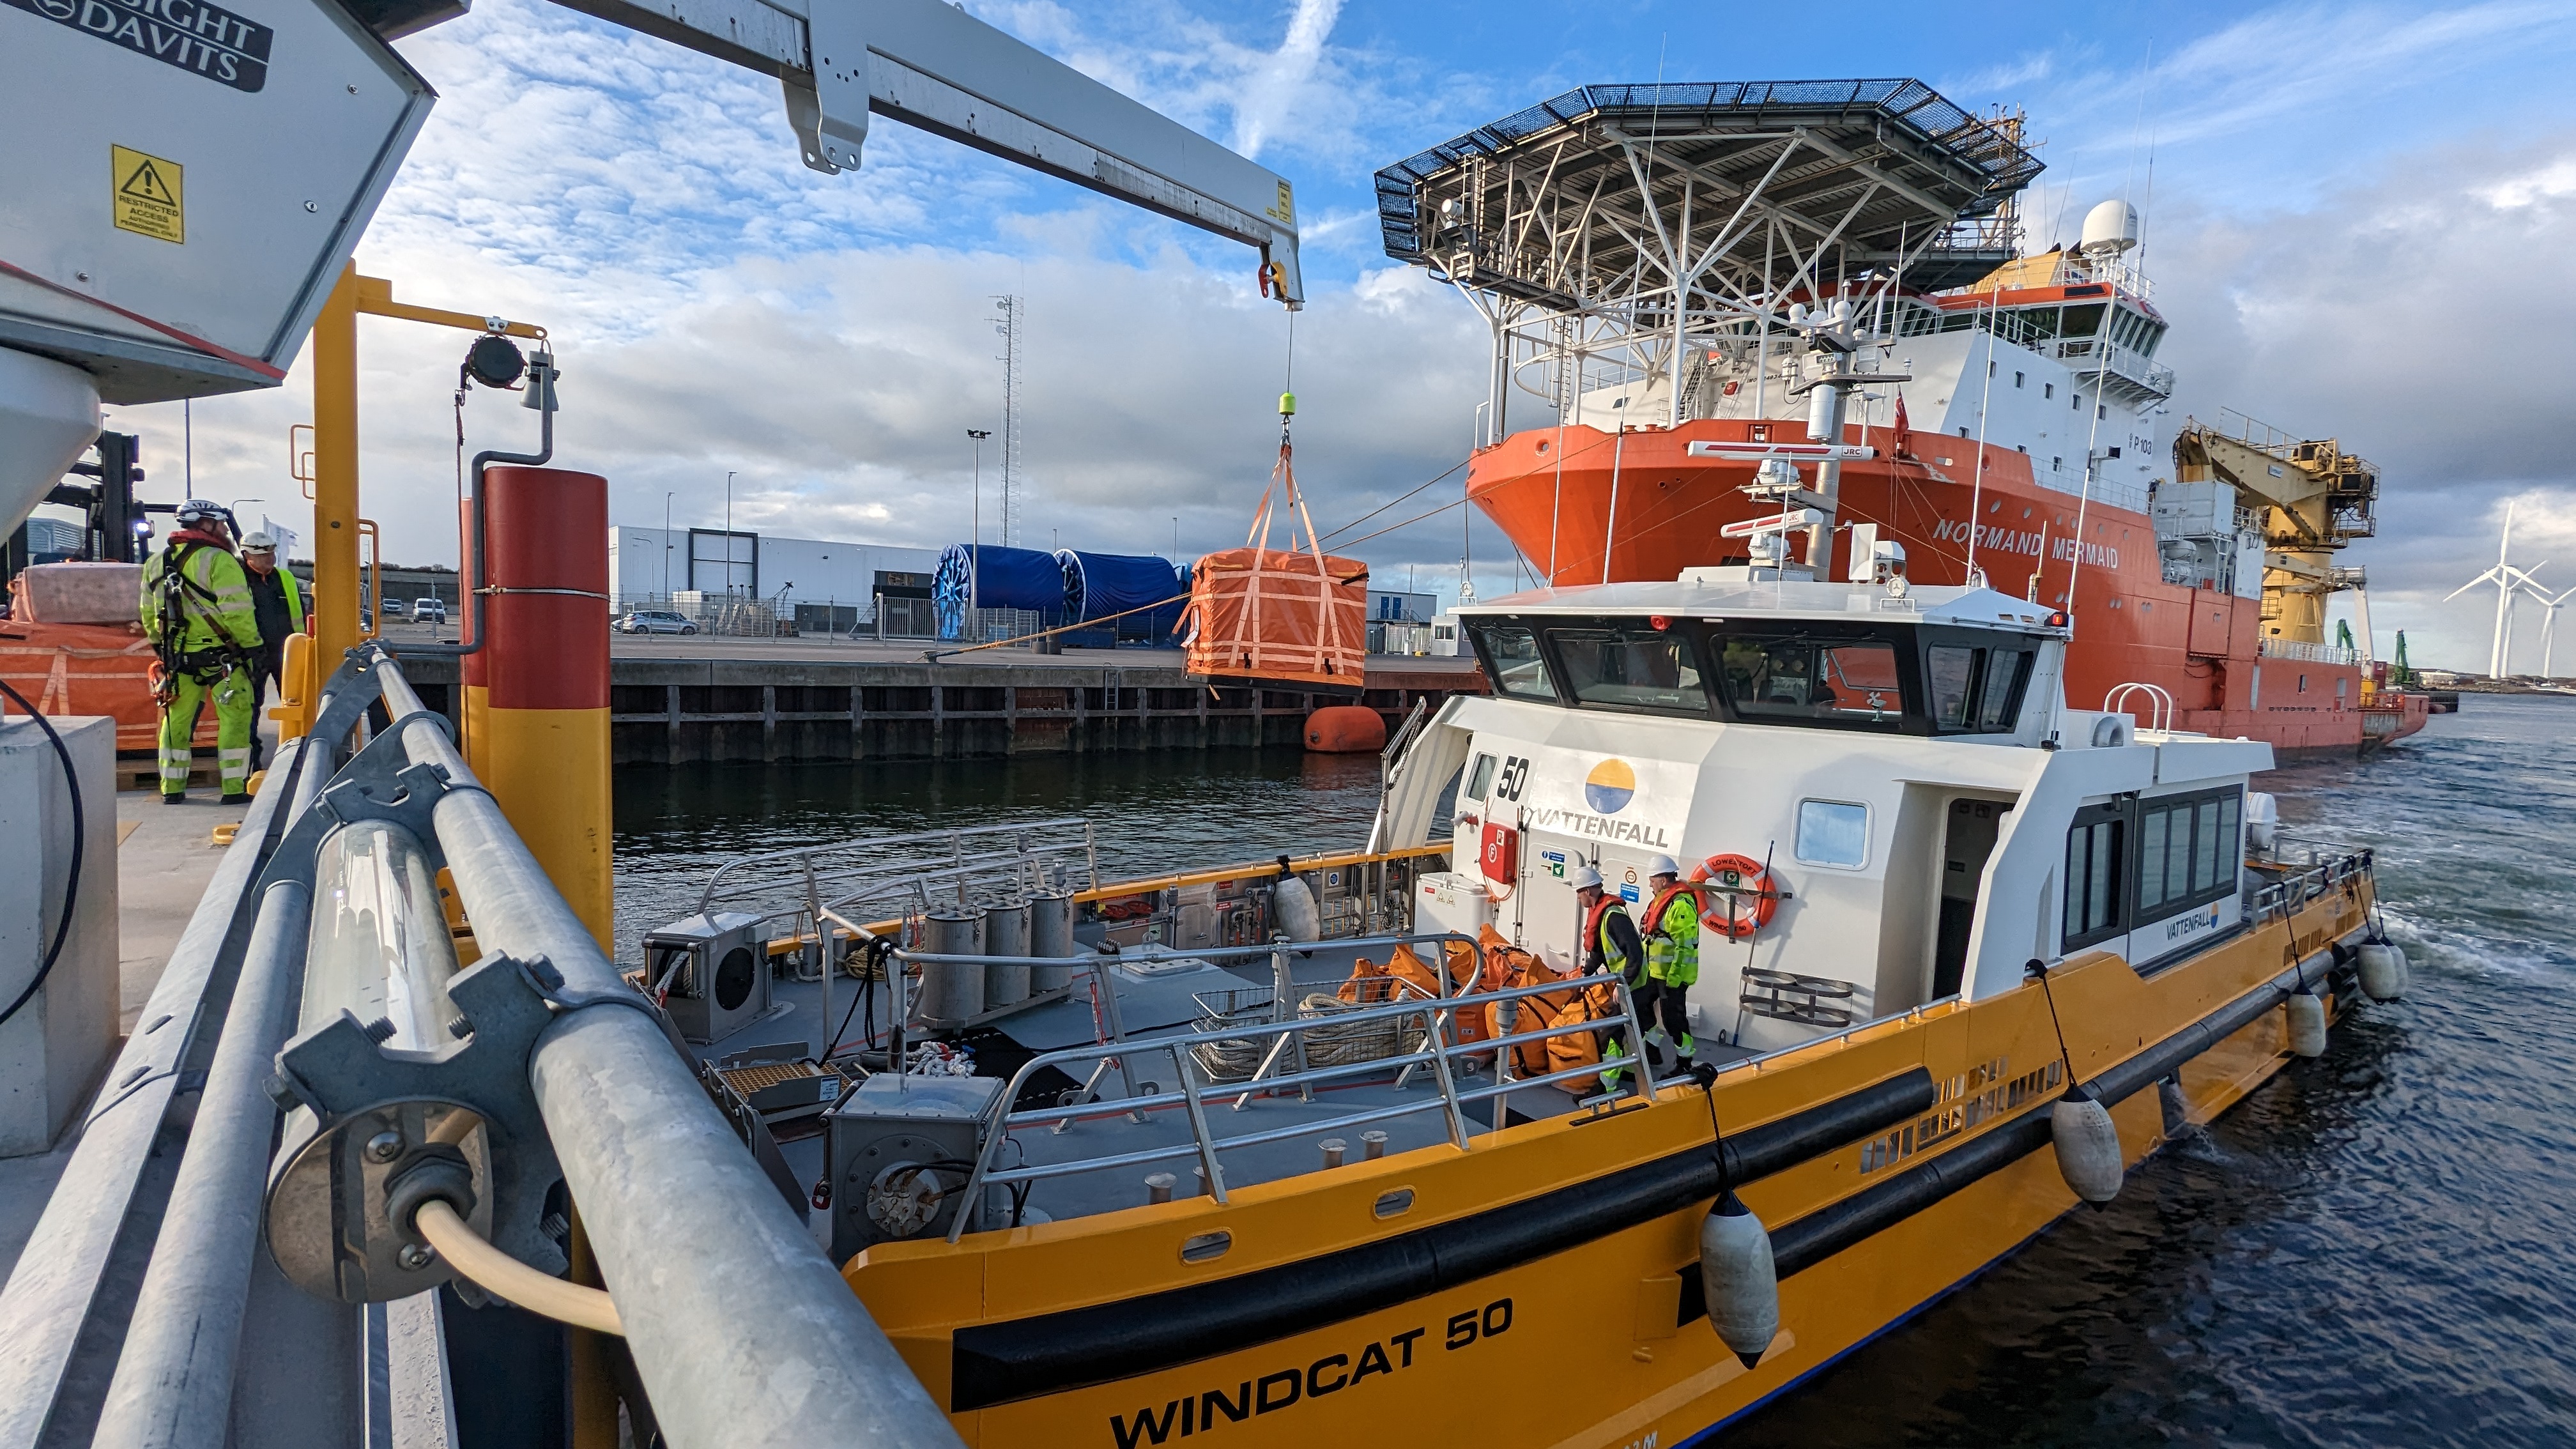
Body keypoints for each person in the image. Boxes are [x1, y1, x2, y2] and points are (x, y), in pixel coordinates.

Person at [140, 502, 261, 804]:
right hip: (223, 659)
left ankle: (173, 789)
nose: (224, 530)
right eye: (220, 524)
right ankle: (234, 790)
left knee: (175, 722)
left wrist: (162, 649)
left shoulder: (155, 562)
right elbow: (238, 613)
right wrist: (253, 648)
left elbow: (147, 612)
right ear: (206, 524)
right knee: (235, 718)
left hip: (178, 658)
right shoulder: (220, 561)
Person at [1570, 864, 1649, 1089]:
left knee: (1609, 1035)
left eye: (1578, 892)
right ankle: (1627, 1070)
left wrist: (1622, 985)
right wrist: (1586, 974)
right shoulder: (1602, 914)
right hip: (1629, 983)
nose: (1577, 898)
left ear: (1588, 891)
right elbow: (1600, 951)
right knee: (1628, 1030)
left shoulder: (1614, 917)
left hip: (1634, 984)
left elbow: (1635, 954)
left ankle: (1605, 1087)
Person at [236, 532, 304, 770]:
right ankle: (250, 763)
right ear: (247, 556)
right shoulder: (236, 581)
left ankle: (297, 756)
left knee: (296, 705)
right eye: (262, 554)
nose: (269, 558)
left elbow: (301, 616)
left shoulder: (285, 578)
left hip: (287, 654)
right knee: (249, 708)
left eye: (271, 553)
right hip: (250, 654)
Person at [1637, 854, 1700, 1070]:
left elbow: (1684, 947)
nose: (1650, 884)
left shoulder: (1681, 906)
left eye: (1652, 879)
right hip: (1654, 973)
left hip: (1672, 975)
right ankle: (1652, 1048)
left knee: (1673, 1019)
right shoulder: (1662, 899)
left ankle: (1685, 1061)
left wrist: (1674, 979)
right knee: (1640, 1005)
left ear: (1664, 880)